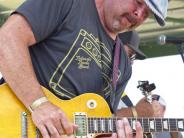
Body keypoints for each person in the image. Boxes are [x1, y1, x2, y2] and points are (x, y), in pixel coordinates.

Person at [0, 0, 168, 138]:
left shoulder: (123, 66)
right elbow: (6, 39)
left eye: (147, 13)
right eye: (138, 2)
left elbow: (98, 128)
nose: (139, 14)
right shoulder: (70, 4)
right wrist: (40, 105)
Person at [118, 30, 183, 138]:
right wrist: (135, 112)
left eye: (133, 58)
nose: (131, 62)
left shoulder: (122, 98)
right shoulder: (92, 80)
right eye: (129, 55)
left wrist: (174, 132)